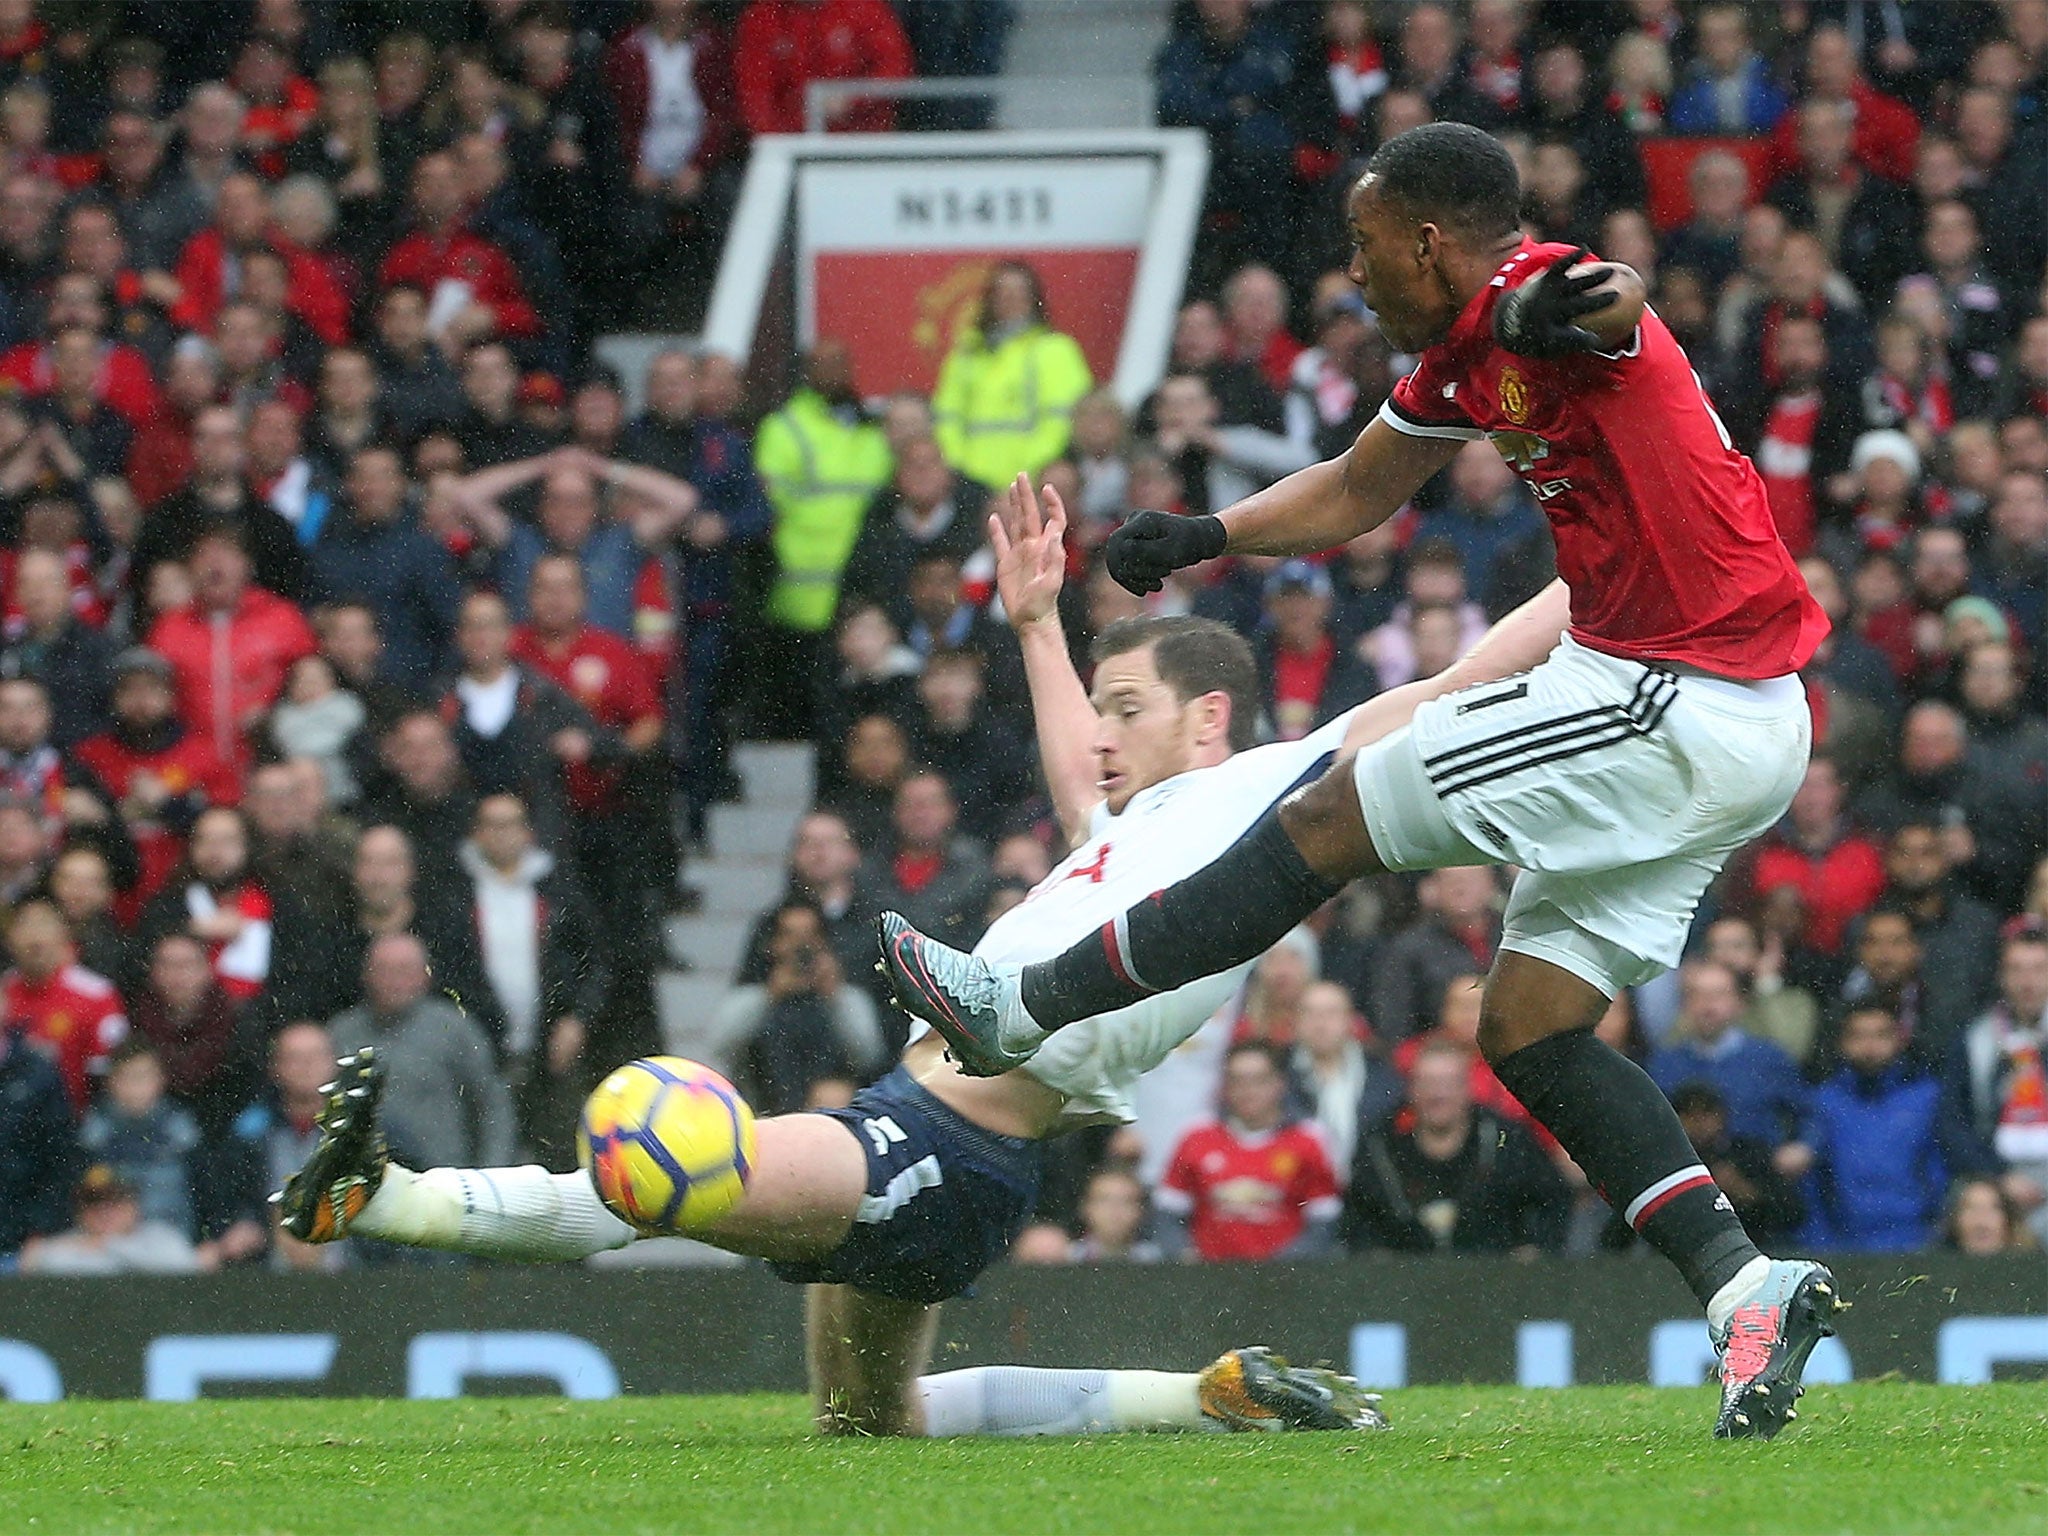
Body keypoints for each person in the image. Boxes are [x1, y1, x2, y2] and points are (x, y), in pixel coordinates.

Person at [883, 123, 1840, 1441]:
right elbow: (1353, 489)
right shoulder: (1461, 354)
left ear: (1431, 239)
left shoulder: (1533, 297)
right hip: (1729, 714)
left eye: (1369, 247)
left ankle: (1022, 1003)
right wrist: (1207, 536)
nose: (1357, 273)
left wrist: (1588, 295)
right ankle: (1744, 1288)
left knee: (1326, 813)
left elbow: (1614, 300)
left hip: (1670, 693)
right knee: (1531, 1026)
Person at [276, 472, 1573, 1435]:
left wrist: (1616, 569)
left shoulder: (1279, 789)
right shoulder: (1142, 828)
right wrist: (1034, 621)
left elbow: (1459, 678)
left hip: (950, 1145)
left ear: (1210, 718)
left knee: (673, 1167)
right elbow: (1080, 773)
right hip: (934, 1140)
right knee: (870, 1426)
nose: (1104, 732)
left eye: (1133, 708)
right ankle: (1207, 1397)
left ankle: (384, 1198)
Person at [1343, 1038, 1573, 1255]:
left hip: (1496, 1281)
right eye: (1428, 1083)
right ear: (1411, 1088)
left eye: (1449, 1083)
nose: (1439, 1094)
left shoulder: (1505, 1137)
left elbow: (1553, 1200)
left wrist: (1535, 1250)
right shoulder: (1379, 1144)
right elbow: (1356, 1218)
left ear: (1467, 1087)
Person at [931, 261, 1091, 493]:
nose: (1010, 299)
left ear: (1033, 299)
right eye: (1003, 292)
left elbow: (1062, 423)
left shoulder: (1056, 350)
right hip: (970, 488)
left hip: (1033, 484)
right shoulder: (966, 354)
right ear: (990, 299)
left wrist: (1024, 475)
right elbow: (947, 419)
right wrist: (962, 472)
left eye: (1019, 292)